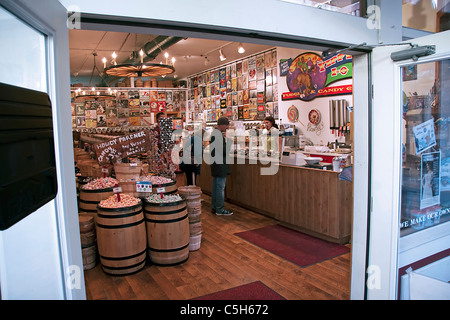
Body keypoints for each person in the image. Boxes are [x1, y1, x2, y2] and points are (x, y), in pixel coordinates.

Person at [209, 117, 233, 216]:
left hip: (216, 164)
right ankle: (219, 209)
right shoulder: (218, 135)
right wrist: (230, 141)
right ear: (222, 125)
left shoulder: (215, 134)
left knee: (216, 187)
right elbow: (223, 150)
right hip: (220, 164)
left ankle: (215, 206)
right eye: (226, 125)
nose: (227, 127)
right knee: (220, 187)